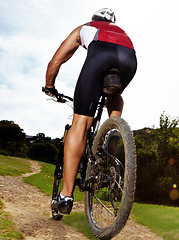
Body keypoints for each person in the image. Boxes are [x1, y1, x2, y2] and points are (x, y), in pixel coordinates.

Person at [44, 8, 137, 214]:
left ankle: (66, 196)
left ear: (94, 19)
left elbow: (56, 61)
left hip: (100, 56)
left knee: (81, 123)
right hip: (129, 59)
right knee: (114, 94)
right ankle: (113, 127)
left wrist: (49, 86)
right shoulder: (122, 32)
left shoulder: (85, 28)